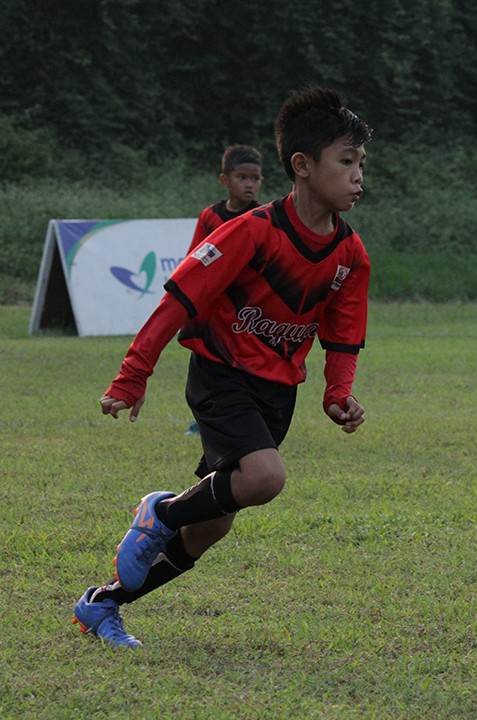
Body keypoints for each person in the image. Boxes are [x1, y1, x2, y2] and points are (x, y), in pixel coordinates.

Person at [72, 86, 372, 649]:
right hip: (222, 374)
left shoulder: (351, 256)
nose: (359, 177)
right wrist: (133, 374)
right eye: (347, 162)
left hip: (276, 393)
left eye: (362, 164)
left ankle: (103, 604)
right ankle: (158, 511)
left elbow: (343, 337)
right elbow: (180, 300)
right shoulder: (251, 231)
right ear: (302, 167)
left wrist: (338, 393)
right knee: (264, 478)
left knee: (212, 523)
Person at [185, 144, 265, 435]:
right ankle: (204, 418)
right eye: (242, 177)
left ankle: (247, 417)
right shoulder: (210, 217)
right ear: (225, 180)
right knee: (208, 364)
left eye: (255, 178)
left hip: (247, 311)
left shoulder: (263, 218)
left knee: (244, 367)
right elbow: (195, 258)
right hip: (214, 309)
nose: (249, 184)